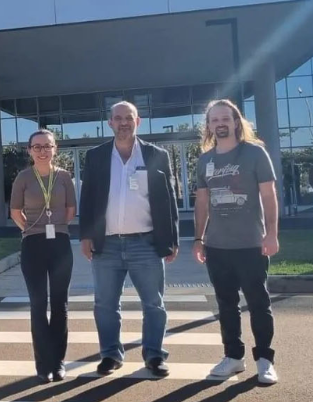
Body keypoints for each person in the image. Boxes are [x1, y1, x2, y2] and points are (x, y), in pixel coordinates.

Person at [79, 101, 179, 377]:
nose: (123, 122)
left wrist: (172, 239)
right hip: (106, 245)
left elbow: (169, 199)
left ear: (138, 122)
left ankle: (154, 355)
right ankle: (110, 354)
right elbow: (86, 199)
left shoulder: (156, 155)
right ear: (109, 122)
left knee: (154, 304)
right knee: (105, 305)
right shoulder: (96, 156)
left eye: (129, 118)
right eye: (118, 118)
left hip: (145, 243)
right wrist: (85, 235)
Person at [192, 99, 279, 385]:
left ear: (236, 122)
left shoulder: (254, 153)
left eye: (225, 119)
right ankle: (233, 357)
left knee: (258, 303)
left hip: (251, 245)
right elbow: (202, 202)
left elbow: (268, 196)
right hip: (217, 247)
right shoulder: (205, 160)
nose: (219, 124)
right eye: (214, 119)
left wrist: (271, 234)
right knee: (226, 304)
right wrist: (198, 238)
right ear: (209, 126)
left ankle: (265, 360)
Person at [10, 130, 77, 383]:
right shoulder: (23, 177)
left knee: (60, 305)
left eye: (47, 146)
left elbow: (71, 210)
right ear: (30, 151)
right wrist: (31, 229)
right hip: (33, 244)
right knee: (38, 304)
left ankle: (58, 362)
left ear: (54, 149)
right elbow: (15, 211)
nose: (42, 151)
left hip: (59, 243)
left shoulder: (63, 177)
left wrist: (57, 225)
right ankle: (42, 365)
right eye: (37, 147)